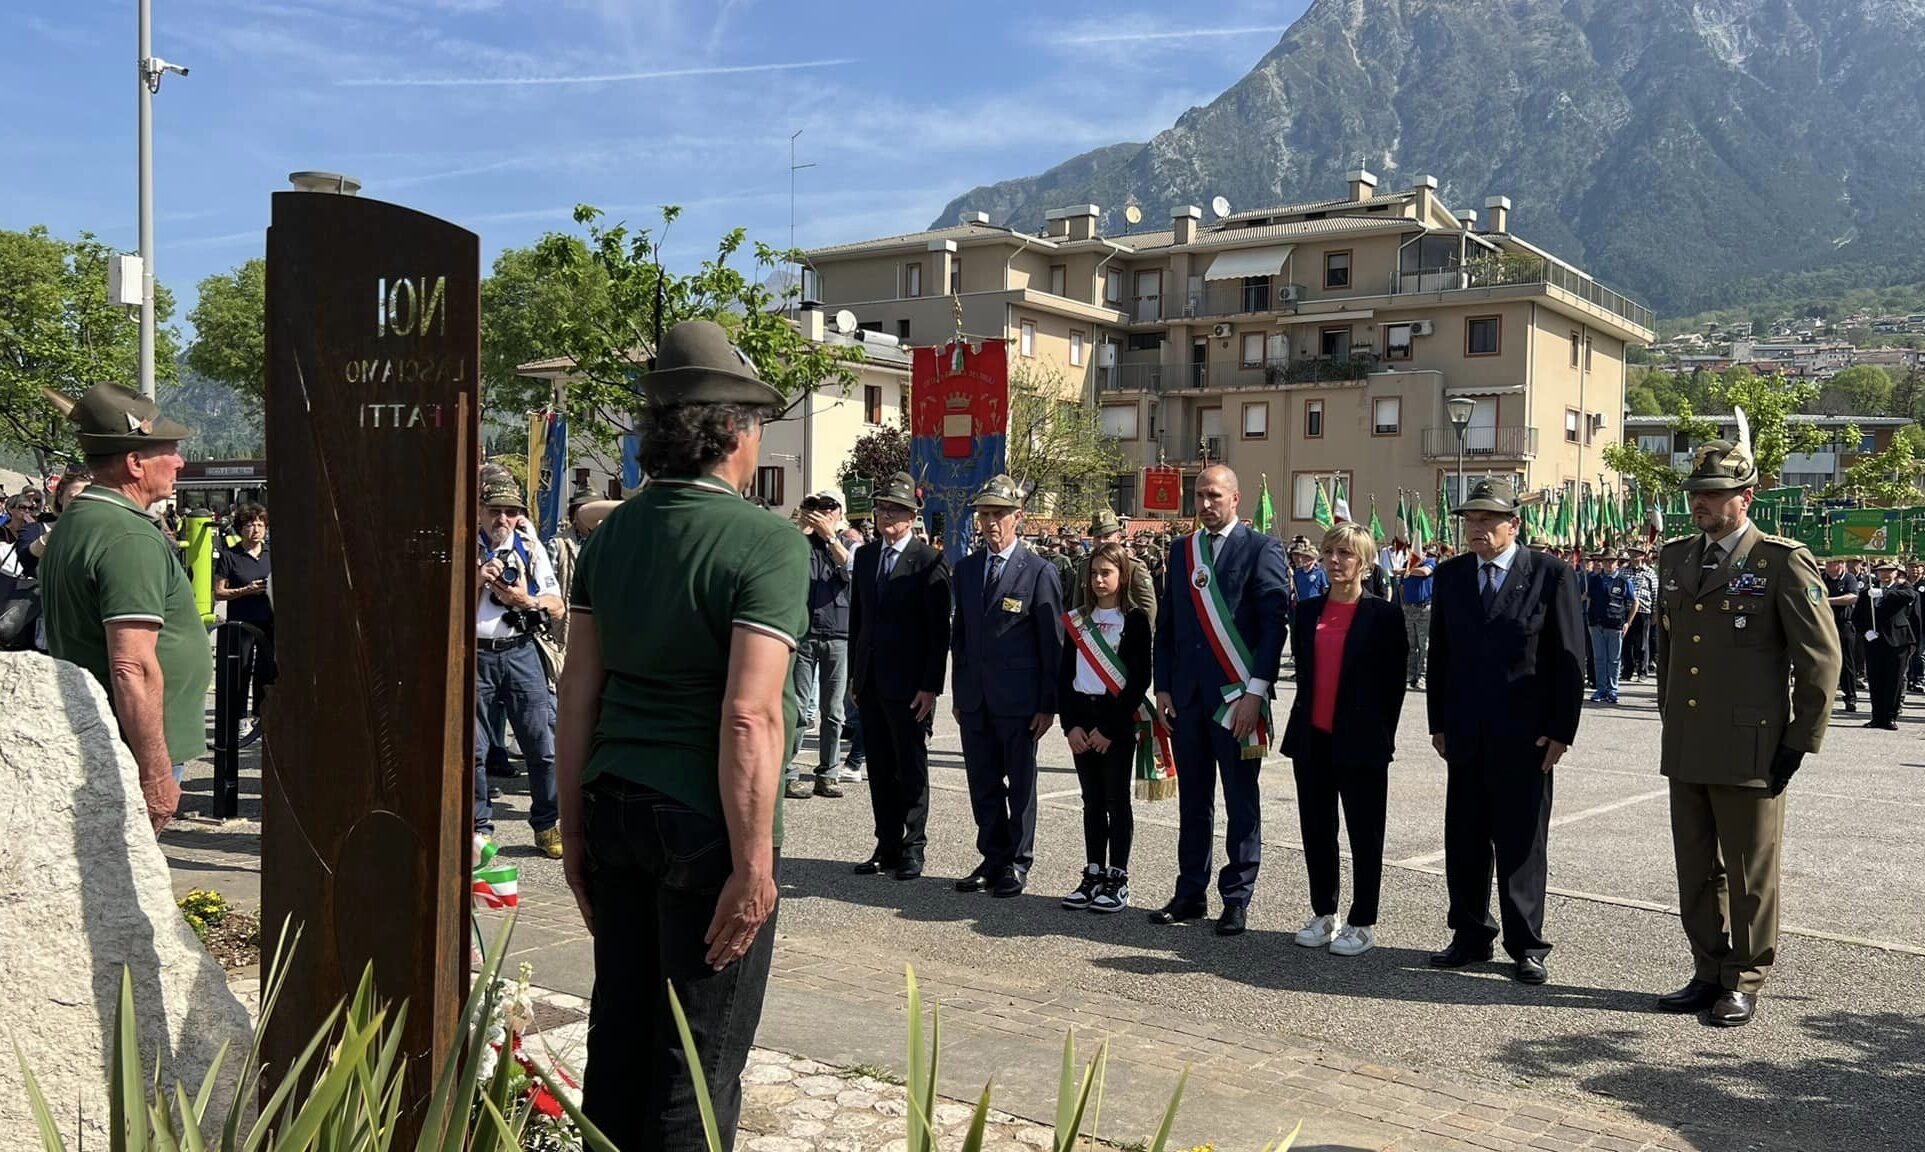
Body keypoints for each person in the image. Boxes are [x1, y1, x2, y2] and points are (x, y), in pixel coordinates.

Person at [556, 319, 805, 1151]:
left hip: (614, 803)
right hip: (704, 819)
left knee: (618, 1038)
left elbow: (577, 691)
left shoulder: (610, 534)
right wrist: (756, 863)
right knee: (696, 1062)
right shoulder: (767, 541)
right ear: (732, 431)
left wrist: (574, 832)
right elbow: (750, 714)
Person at [1654, 437, 1840, 1027]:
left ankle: (1745, 977)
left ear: (1746, 497)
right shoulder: (1677, 557)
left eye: (1714, 495)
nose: (1701, 504)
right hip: (1687, 741)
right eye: (1696, 495)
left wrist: (1799, 739)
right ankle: (1707, 969)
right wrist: (1668, 715)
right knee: (1695, 867)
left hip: (1751, 746)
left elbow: (1820, 660)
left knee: (1749, 871)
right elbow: (1669, 646)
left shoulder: (1781, 560)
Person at [1426, 479, 1584, 984]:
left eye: (1487, 520)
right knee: (1465, 838)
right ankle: (1470, 934)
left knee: (1521, 841)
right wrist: (1438, 723)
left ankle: (1526, 944)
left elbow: (1569, 658)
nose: (1476, 528)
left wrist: (1562, 730)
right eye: (1470, 520)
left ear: (1513, 524)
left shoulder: (1549, 573)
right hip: (1467, 732)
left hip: (1527, 734)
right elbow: (1442, 654)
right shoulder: (1451, 576)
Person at [38, 383, 209, 833]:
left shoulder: (81, 521)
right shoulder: (126, 536)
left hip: (108, 738)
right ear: (135, 462)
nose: (180, 461)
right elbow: (132, 665)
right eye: (168, 450)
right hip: (133, 748)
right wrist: (154, 774)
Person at [1150, 465, 1289, 936]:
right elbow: (1166, 624)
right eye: (1199, 495)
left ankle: (1237, 897)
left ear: (1235, 498)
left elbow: (1274, 626)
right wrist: (1163, 685)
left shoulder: (1262, 548)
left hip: (1236, 700)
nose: (1205, 503)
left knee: (1240, 800)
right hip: (1186, 698)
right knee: (1194, 800)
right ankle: (1190, 892)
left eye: (1214, 495)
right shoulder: (1182, 550)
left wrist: (1256, 691)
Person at [1280, 523, 1408, 957]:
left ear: (1366, 563)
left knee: (1364, 834)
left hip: (1362, 743)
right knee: (1317, 830)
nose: (1336, 561)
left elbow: (1394, 687)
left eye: (1347, 554)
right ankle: (1324, 912)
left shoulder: (1385, 615)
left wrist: (1379, 738)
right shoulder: (1306, 610)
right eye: (1331, 552)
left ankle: (1363, 920)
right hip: (1312, 738)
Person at [950, 474, 1063, 898]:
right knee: (982, 783)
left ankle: (1017, 861)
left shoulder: (1039, 571)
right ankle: (992, 856)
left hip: (1019, 702)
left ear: (1018, 517)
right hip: (977, 700)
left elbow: (1051, 643)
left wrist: (1047, 704)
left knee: (1020, 784)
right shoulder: (966, 569)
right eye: (984, 514)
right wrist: (961, 694)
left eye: (999, 514)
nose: (991, 522)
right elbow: (960, 636)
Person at [848, 473, 951, 880]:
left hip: (909, 685)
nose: (885, 515)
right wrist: (857, 677)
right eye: (880, 508)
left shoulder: (929, 561)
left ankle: (913, 846)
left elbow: (937, 632)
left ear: (911, 517)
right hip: (872, 680)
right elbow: (859, 621)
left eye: (894, 509)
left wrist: (930, 686)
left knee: (910, 767)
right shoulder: (869, 556)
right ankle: (885, 843)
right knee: (879, 764)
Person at [474, 475, 567, 857]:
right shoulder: (465, 548)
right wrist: (477, 580)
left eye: (511, 512)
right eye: (495, 511)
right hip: (475, 654)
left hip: (520, 650)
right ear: (479, 512)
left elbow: (556, 605)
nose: (503, 520)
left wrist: (524, 599)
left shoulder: (530, 547)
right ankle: (479, 829)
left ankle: (547, 824)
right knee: (474, 751)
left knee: (542, 746)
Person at [1058, 541, 1151, 914]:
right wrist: (1071, 726)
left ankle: (1118, 877)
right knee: (1091, 801)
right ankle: (1093, 871)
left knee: (1116, 800)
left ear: (1122, 576)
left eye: (1106, 573)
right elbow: (1065, 677)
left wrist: (1109, 729)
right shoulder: (1077, 620)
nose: (1098, 579)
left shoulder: (1137, 620)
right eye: (1094, 573)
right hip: (1083, 717)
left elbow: (1139, 680)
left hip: (1116, 722)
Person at [784, 487, 855, 801]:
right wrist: (801, 524)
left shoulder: (848, 543)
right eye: (815, 506)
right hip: (804, 633)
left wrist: (830, 537)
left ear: (839, 512)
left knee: (833, 711)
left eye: (828, 507)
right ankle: (787, 773)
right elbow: (780, 556)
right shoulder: (800, 542)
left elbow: (852, 569)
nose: (821, 512)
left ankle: (829, 773)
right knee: (797, 708)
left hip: (838, 634)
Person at [212, 502, 275, 727]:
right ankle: (239, 720)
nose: (256, 529)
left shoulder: (271, 555)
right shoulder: (230, 556)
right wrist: (244, 590)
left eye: (260, 524)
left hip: (269, 621)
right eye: (250, 525)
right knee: (241, 669)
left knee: (266, 669)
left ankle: (262, 714)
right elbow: (219, 592)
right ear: (241, 528)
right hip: (242, 622)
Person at [1852, 559, 1916, 730]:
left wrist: (1883, 594)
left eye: (1889, 571)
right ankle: (1876, 716)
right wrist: (1865, 631)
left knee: (1893, 680)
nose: (1885, 574)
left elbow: (1910, 596)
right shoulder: (1868, 592)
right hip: (1875, 640)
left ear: (1896, 573)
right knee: (1875, 679)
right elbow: (1856, 616)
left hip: (1898, 640)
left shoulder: (1903, 587)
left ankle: (1890, 716)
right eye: (1882, 571)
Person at [1072, 508, 1157, 627]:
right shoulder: (1085, 566)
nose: (1102, 541)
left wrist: (1141, 637)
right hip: (1092, 637)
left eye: (1107, 536)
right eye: (1097, 537)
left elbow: (1148, 607)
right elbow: (1078, 605)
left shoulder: (1134, 567)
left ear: (1118, 536)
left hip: (1124, 634)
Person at [1585, 552, 1638, 704]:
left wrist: (1628, 622)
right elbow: (1589, 599)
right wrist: (1589, 621)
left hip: (1615, 625)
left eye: (1612, 561)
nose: (1609, 564)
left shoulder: (1623, 581)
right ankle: (1601, 689)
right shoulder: (1594, 579)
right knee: (1599, 658)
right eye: (1606, 561)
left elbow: (1634, 602)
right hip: (1597, 624)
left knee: (1614, 660)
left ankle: (1612, 690)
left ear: (1617, 563)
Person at [1822, 558, 1861, 713]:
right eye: (1828, 564)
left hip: (1844, 624)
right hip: (1825, 623)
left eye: (1834, 564)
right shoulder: (1820, 577)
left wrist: (1827, 600)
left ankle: (1850, 697)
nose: (1830, 567)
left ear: (1841, 565)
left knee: (1847, 662)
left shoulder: (1849, 578)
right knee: (1824, 661)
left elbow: (1852, 597)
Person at [1399, 542, 1437, 688]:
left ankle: (1423, 676)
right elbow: (1402, 587)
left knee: (1424, 645)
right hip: (1409, 608)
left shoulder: (1430, 562)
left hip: (1424, 609)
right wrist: (1405, 604)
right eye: (1410, 548)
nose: (1411, 551)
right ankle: (1411, 674)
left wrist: (1405, 570)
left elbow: (1425, 572)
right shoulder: (1406, 563)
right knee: (1410, 644)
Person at [1623, 546, 1658, 681]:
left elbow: (1655, 594)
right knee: (1626, 643)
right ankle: (1627, 670)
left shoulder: (1649, 573)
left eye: (1637, 554)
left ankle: (1642, 671)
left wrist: (1655, 612)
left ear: (1643, 556)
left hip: (1643, 611)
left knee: (1642, 643)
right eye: (1631, 553)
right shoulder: (1624, 571)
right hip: (1626, 610)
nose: (1633, 556)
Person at [1289, 540, 1328, 606]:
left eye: (1308, 557)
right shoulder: (1298, 572)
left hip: (1315, 606)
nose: (1304, 559)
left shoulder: (1320, 572)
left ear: (1314, 560)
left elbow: (1325, 590)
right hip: (1300, 605)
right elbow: (1293, 589)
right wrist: (1290, 577)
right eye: (1304, 556)